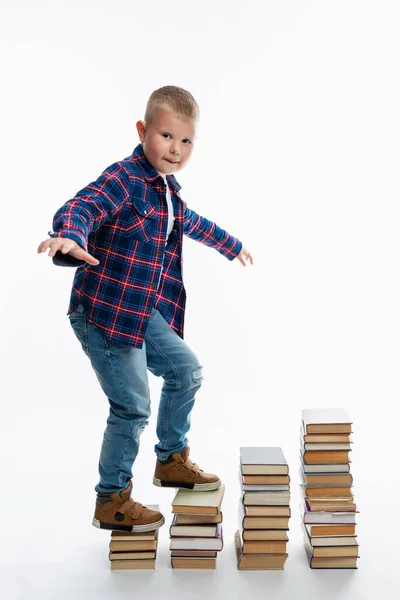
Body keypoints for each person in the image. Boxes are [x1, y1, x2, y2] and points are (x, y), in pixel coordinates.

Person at [37, 85, 253, 532]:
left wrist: (230, 245)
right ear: (143, 131)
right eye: (166, 136)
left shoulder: (167, 190)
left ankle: (171, 459)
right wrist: (71, 235)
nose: (175, 149)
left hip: (142, 308)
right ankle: (111, 498)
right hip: (105, 313)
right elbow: (84, 205)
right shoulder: (125, 178)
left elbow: (191, 222)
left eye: (186, 140)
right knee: (133, 407)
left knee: (185, 370)